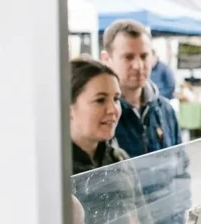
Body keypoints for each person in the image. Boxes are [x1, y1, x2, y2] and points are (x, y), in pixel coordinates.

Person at [101, 19, 192, 224]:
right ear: (107, 59)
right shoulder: (104, 117)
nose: (138, 65)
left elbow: (181, 172)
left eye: (144, 56)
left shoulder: (165, 110)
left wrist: (179, 218)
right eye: (128, 57)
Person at [68, 58, 152, 224]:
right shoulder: (53, 173)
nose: (113, 109)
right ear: (67, 107)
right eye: (100, 100)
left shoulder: (119, 159)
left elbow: (144, 219)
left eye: (116, 99)